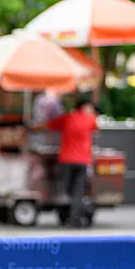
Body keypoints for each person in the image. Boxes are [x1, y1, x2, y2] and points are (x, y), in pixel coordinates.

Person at [40, 97, 99, 227]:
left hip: (66, 160)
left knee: (68, 190)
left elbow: (49, 125)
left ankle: (74, 213)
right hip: (82, 160)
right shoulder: (90, 119)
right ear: (84, 106)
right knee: (78, 191)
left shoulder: (67, 118)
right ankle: (77, 216)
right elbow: (96, 128)